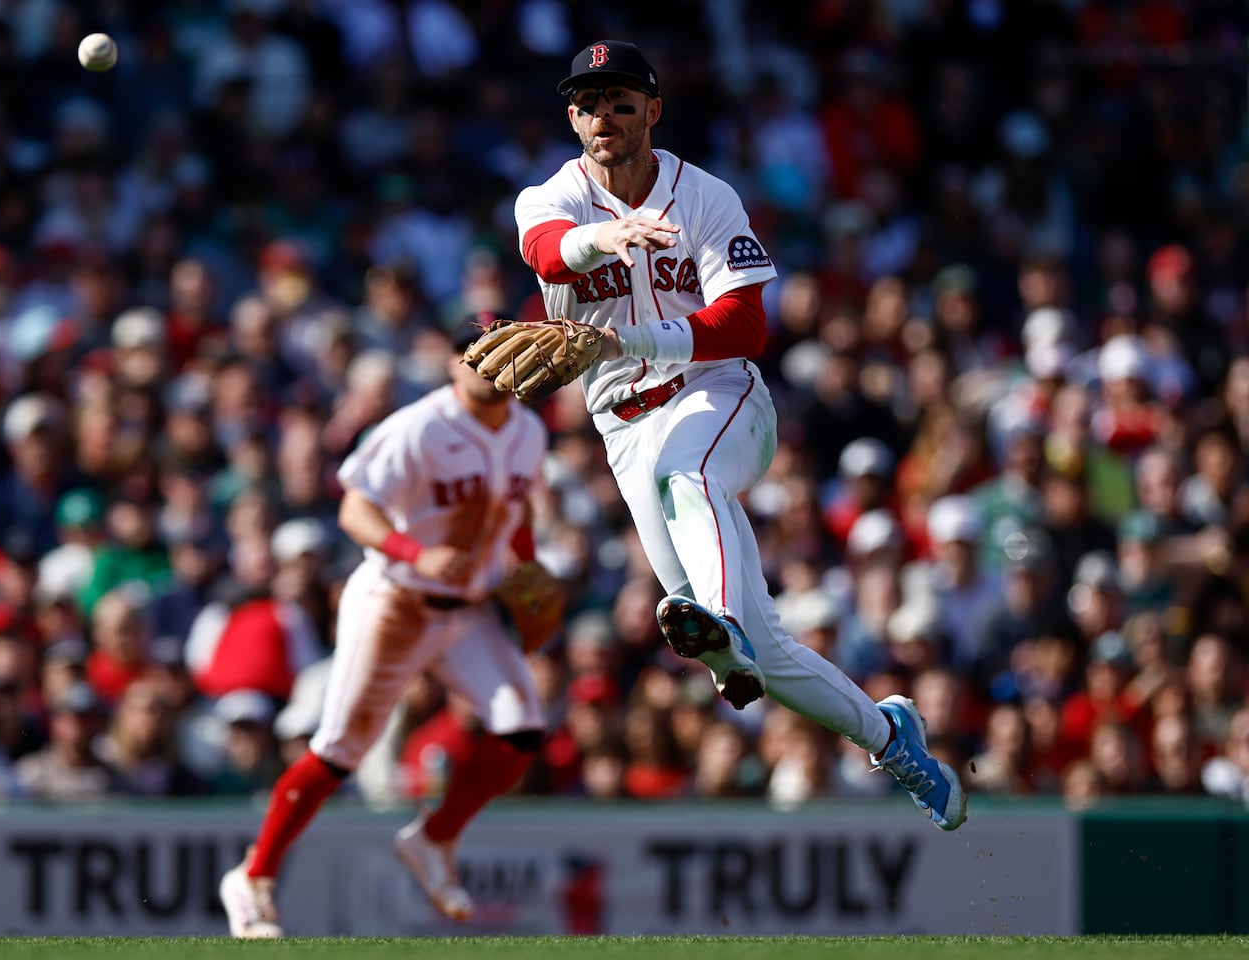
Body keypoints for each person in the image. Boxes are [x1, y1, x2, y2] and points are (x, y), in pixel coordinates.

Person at [511, 40, 965, 831]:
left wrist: (636, 341)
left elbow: (747, 325)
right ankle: (892, 737)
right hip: (624, 431)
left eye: (622, 99)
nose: (604, 114)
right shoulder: (551, 198)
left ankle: (720, 634)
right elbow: (544, 247)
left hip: (718, 397)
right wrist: (601, 242)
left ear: (653, 110)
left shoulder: (707, 198)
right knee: (759, 643)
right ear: (572, 116)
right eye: (588, 101)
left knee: (691, 481)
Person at [218, 322, 551, 936]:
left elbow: (517, 512)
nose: (497, 364)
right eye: (482, 353)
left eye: (509, 350)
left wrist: (528, 576)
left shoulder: (529, 430)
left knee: (522, 729)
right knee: (341, 749)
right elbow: (355, 508)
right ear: (453, 363)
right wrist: (412, 552)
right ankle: (254, 875)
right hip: (396, 599)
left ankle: (434, 839)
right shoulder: (418, 426)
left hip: (470, 609)